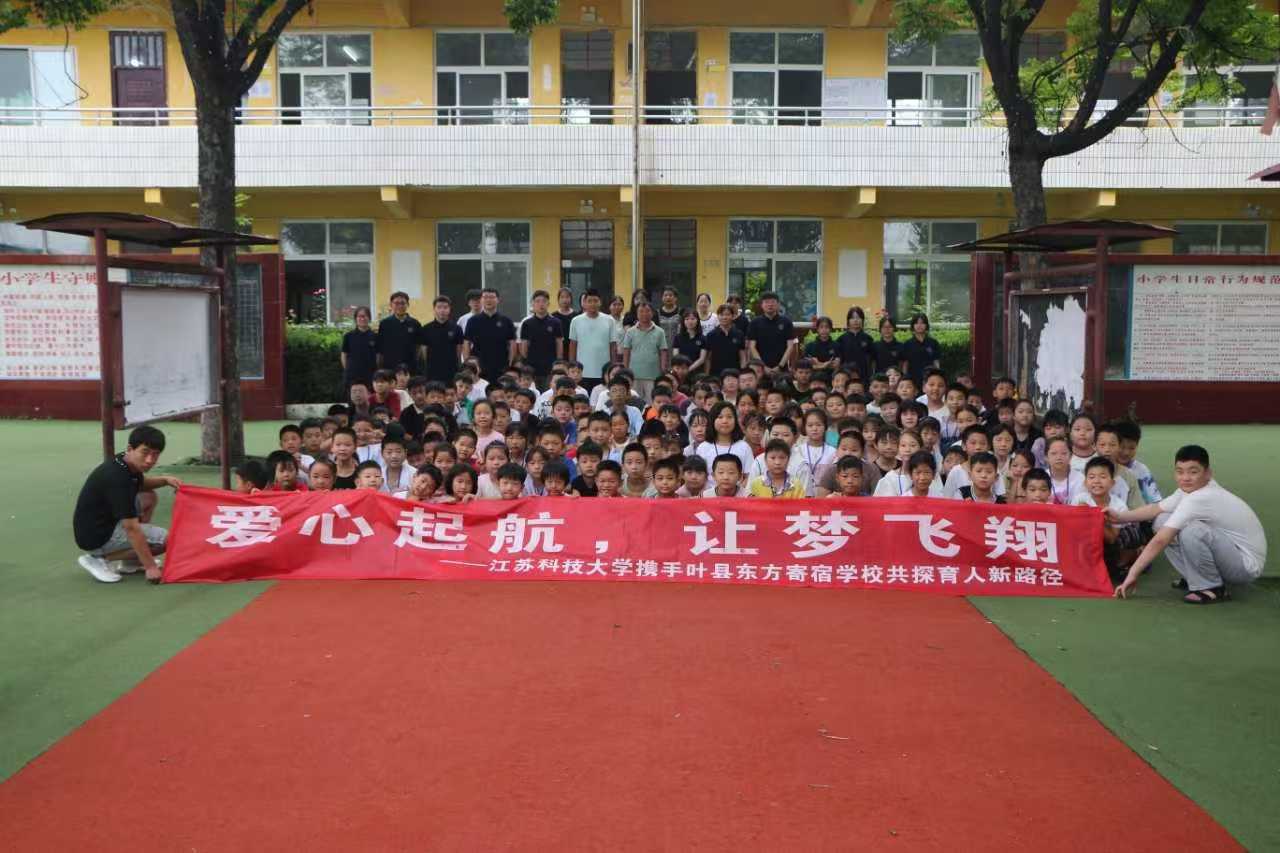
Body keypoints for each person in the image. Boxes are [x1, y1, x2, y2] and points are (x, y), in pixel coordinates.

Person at [1113, 445, 1266, 604]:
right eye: (1180, 471)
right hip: (1229, 553)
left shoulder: (1201, 497)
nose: (1185, 478)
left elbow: (1161, 540)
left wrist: (1132, 574)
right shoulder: (1188, 491)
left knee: (1192, 531)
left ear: (1208, 473)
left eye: (1193, 472)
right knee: (1162, 520)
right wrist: (1118, 517)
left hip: (1245, 567)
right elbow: (1155, 509)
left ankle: (1213, 588)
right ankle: (1195, 578)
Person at [72, 426, 179, 584]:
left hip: (100, 524)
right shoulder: (118, 479)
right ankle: (99, 558)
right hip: (96, 537)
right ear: (130, 449)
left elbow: (141, 484)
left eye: (155, 454)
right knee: (168, 540)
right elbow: (131, 528)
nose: (150, 460)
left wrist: (165, 480)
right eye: (145, 452)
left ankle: (130, 562)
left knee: (148, 496)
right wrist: (150, 567)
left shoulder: (124, 461)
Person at [464, 287, 517, 383]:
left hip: (501, 367)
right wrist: (467, 364)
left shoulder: (506, 321)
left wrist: (510, 364)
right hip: (478, 367)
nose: (488, 300)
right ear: (481, 300)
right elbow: (467, 343)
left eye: (492, 297)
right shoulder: (473, 321)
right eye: (485, 297)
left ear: (498, 300)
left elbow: (512, 344)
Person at [568, 288, 618, 391]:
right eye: (589, 301)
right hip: (582, 371)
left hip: (604, 371)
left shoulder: (610, 320)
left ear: (600, 302)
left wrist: (612, 367)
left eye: (595, 301)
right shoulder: (576, 321)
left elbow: (613, 346)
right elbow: (573, 345)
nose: (592, 304)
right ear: (584, 303)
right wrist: (572, 367)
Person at [621, 301, 669, 401]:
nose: (644, 314)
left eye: (647, 311)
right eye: (641, 311)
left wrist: (663, 369)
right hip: (634, 375)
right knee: (634, 401)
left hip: (653, 374)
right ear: (637, 314)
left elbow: (663, 351)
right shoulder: (630, 332)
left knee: (651, 401)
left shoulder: (660, 331)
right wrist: (625, 370)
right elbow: (626, 351)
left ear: (652, 313)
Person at [519, 289, 564, 389]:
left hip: (550, 367)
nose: (541, 304)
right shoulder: (527, 323)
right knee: (532, 393)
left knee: (548, 393)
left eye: (544, 301)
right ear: (533, 304)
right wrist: (526, 363)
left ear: (548, 304)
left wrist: (558, 362)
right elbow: (524, 346)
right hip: (531, 368)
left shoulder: (555, 322)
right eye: (537, 301)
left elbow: (559, 343)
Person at [419, 295, 465, 386]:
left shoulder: (457, 328)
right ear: (434, 309)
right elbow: (424, 352)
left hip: (451, 370)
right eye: (439, 307)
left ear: (449, 309)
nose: (442, 310)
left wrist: (459, 367)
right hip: (432, 370)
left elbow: (459, 352)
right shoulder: (426, 329)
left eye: (445, 307)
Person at [747, 291, 795, 375]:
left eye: (773, 302)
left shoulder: (786, 322)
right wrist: (763, 366)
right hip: (761, 369)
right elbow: (752, 347)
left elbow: (790, 346)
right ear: (762, 305)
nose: (770, 304)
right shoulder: (754, 323)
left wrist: (780, 366)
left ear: (778, 304)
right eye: (766, 302)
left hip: (782, 369)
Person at [377, 292, 422, 373]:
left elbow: (418, 347)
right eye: (396, 303)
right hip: (389, 367)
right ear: (391, 305)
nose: (400, 306)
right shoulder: (384, 324)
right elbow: (380, 348)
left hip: (410, 367)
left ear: (408, 304)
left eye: (403, 303)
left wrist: (416, 361)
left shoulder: (415, 323)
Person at [340, 305, 378, 390]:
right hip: (352, 375)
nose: (362, 319)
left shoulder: (375, 336)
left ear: (369, 318)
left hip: (370, 375)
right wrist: (348, 370)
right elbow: (343, 355)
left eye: (365, 316)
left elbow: (378, 356)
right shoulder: (348, 336)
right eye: (359, 316)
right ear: (355, 319)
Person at [704, 303, 747, 376]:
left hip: (735, 374)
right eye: (721, 315)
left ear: (733, 316)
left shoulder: (739, 334)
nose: (724, 317)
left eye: (727, 314)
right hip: (716, 375)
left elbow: (742, 357)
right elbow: (708, 359)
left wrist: (743, 374)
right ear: (718, 316)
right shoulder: (711, 335)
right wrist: (707, 376)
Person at [900, 312, 941, 387]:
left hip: (930, 380)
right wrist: (905, 379)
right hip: (913, 380)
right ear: (913, 325)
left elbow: (936, 362)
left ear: (926, 325)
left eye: (922, 323)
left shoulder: (933, 343)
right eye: (916, 323)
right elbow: (905, 364)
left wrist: (938, 376)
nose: (919, 325)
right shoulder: (907, 344)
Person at [836, 306, 874, 384]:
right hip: (846, 377)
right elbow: (839, 361)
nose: (856, 320)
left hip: (864, 378)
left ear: (862, 320)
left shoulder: (868, 339)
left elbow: (872, 361)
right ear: (848, 321)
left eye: (858, 317)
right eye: (853, 318)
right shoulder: (841, 340)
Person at [672, 309, 708, 374]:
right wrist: (682, 369)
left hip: (697, 372)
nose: (690, 321)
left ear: (697, 320)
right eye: (687, 319)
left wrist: (688, 369)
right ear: (683, 321)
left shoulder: (703, 338)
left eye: (693, 319)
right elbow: (676, 356)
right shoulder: (677, 337)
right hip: (680, 372)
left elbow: (702, 359)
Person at [553, 287, 579, 354]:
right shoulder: (553, 316)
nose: (565, 300)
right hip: (557, 351)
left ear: (571, 299)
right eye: (562, 297)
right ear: (558, 299)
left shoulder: (577, 316)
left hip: (574, 349)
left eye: (567, 297)